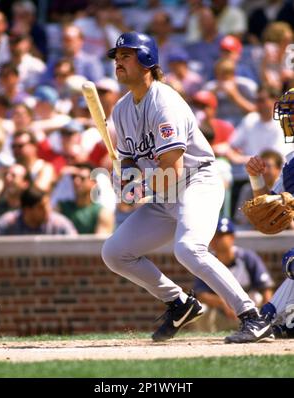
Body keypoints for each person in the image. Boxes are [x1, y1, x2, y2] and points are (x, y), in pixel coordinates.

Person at [101, 31, 273, 344]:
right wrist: (124, 183)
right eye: (117, 57)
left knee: (189, 248)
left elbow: (172, 170)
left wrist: (137, 188)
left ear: (147, 61)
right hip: (165, 193)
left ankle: (253, 316)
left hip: (197, 182)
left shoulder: (165, 102)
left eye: (126, 55)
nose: (118, 62)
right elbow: (129, 161)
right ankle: (179, 303)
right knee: (114, 252)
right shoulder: (121, 110)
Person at [246, 88, 294, 339]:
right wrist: (256, 178)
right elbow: (267, 209)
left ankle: (264, 317)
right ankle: (271, 317)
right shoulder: (290, 162)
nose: (290, 120)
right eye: (290, 115)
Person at [193, 217, 274, 332]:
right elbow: (201, 294)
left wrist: (268, 315)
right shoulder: (205, 261)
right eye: (213, 236)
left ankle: (260, 328)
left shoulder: (247, 257)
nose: (215, 239)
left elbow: (266, 288)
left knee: (258, 297)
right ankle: (206, 341)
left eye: (221, 235)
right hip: (221, 313)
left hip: (250, 310)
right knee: (202, 309)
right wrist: (224, 303)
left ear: (232, 237)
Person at [0, 186, 77, 236]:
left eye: (48, 205)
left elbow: (76, 247)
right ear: (27, 210)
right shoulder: (7, 223)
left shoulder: (60, 224)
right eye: (41, 207)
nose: (48, 210)